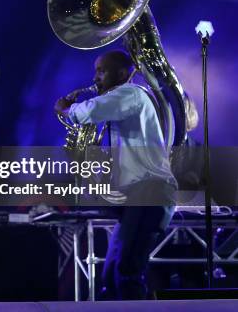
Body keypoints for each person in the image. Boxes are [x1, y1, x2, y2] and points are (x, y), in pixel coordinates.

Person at [55, 50, 177, 300]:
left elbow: (88, 111)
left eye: (102, 71)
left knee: (126, 271)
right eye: (95, 71)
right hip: (137, 195)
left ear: (122, 73)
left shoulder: (131, 93)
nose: (96, 77)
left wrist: (67, 109)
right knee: (111, 276)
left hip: (150, 191)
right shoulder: (124, 103)